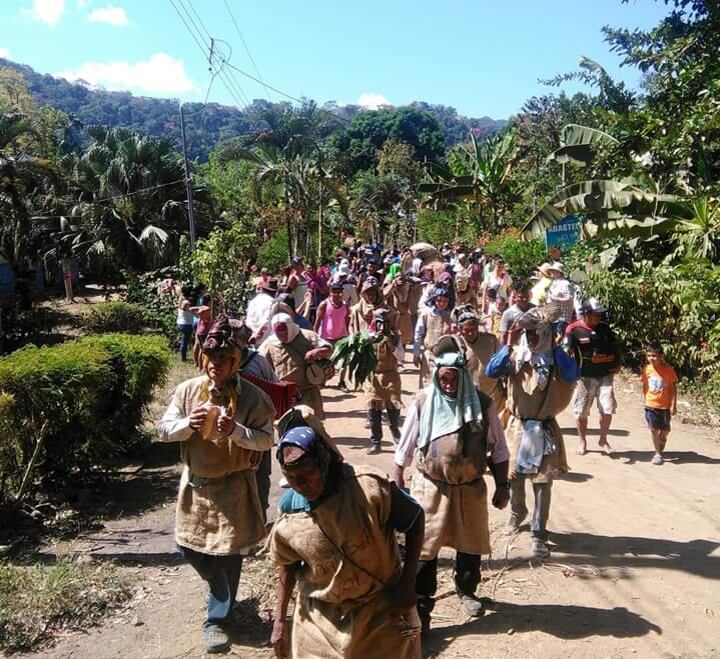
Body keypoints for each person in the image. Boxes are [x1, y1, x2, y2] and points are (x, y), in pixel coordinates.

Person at [158, 315, 275, 653]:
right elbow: (163, 430)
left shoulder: (253, 398)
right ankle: (219, 591)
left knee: (229, 554)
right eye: (211, 358)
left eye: (224, 359)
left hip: (233, 487)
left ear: (236, 361)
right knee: (187, 547)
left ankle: (217, 619)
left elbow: (267, 439)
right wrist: (187, 425)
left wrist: (237, 432)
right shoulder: (188, 391)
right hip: (195, 485)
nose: (216, 365)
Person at [269, 425, 424, 659]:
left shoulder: (366, 488)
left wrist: (407, 582)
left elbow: (414, 519)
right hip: (320, 619)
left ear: (323, 463)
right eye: (291, 478)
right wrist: (279, 621)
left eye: (306, 474)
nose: (299, 484)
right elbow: (288, 565)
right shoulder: (291, 510)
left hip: (381, 609)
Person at [393, 336, 510, 632]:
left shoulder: (481, 404)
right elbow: (406, 445)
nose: (448, 385)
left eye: (453, 379)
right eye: (443, 379)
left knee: (470, 545)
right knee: (424, 548)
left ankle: (467, 590)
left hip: (470, 487)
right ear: (436, 376)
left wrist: (502, 486)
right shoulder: (423, 402)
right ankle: (422, 608)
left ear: (463, 377)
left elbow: (499, 449)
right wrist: (398, 479)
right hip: (431, 487)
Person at [486, 308, 580, 558]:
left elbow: (573, 374)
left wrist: (556, 349)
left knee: (542, 481)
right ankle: (517, 512)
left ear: (546, 334)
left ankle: (539, 531)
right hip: (517, 425)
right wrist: (508, 344)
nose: (530, 339)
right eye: (527, 334)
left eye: (535, 334)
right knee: (514, 476)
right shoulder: (517, 357)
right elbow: (491, 371)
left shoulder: (554, 360)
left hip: (544, 427)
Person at [565, 302, 623, 456]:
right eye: (595, 314)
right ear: (586, 314)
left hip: (606, 375)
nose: (599, 317)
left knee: (607, 409)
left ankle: (603, 440)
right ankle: (582, 441)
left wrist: (618, 364)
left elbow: (615, 347)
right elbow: (567, 351)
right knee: (581, 412)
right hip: (585, 377)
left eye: (599, 314)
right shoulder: (573, 330)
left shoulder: (604, 328)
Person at [259, 313, 333, 419]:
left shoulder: (308, 336)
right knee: (287, 424)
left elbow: (328, 349)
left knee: (313, 424)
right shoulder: (270, 344)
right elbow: (259, 362)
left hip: (308, 393)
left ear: (290, 328)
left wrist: (318, 351)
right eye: (279, 334)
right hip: (284, 396)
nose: (282, 337)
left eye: (284, 333)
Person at [365, 308, 403, 455]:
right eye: (379, 323)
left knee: (393, 410)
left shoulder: (396, 337)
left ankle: (396, 434)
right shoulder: (369, 337)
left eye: (385, 323)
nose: (381, 327)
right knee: (374, 412)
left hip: (391, 377)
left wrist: (391, 345)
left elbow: (401, 357)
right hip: (374, 378)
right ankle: (376, 442)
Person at [454, 306, 506, 413]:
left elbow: (500, 362)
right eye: (466, 330)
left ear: (477, 327)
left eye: (473, 329)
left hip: (492, 392)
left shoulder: (491, 340)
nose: (470, 333)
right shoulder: (456, 344)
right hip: (468, 394)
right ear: (460, 329)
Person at [642, 344, 678, 465]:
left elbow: (673, 388)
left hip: (665, 406)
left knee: (665, 430)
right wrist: (646, 400)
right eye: (649, 356)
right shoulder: (646, 369)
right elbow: (645, 386)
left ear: (661, 356)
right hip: (650, 405)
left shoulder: (669, 371)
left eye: (654, 356)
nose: (651, 358)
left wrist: (673, 405)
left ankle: (662, 439)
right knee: (653, 429)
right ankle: (657, 454)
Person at [413, 286, 453, 388]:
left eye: (445, 301)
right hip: (430, 355)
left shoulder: (451, 316)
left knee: (444, 385)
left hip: (447, 357)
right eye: (439, 300)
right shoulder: (426, 314)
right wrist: (416, 354)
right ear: (434, 300)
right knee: (427, 385)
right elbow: (418, 333)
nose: (442, 303)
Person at [315, 281, 351, 392]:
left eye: (339, 292)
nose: (337, 295)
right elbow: (317, 321)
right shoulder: (324, 304)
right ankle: (322, 380)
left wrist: (348, 335)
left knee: (343, 361)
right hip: (326, 338)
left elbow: (347, 321)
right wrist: (315, 338)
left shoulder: (345, 306)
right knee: (324, 361)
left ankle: (341, 382)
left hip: (341, 337)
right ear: (330, 292)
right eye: (334, 292)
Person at [499, 280, 535, 345]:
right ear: (515, 298)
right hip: (516, 348)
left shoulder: (535, 310)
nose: (524, 299)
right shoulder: (508, 313)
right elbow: (503, 336)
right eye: (521, 297)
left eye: (526, 296)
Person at [246, 278, 279, 346]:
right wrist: (258, 333)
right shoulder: (272, 302)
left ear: (262, 289)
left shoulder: (253, 301)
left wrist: (255, 332)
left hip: (254, 341)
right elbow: (266, 321)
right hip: (269, 342)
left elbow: (248, 321)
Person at [384, 273, 414, 346]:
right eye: (399, 278)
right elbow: (384, 295)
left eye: (403, 278)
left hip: (404, 318)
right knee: (393, 342)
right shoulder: (391, 289)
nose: (401, 280)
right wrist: (392, 285)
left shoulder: (407, 289)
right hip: (393, 319)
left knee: (404, 342)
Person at [547, 262, 574, 330]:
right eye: (552, 270)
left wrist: (556, 299)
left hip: (562, 318)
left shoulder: (565, 283)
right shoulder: (554, 283)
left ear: (559, 272)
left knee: (559, 335)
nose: (552, 272)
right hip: (554, 317)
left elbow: (569, 298)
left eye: (554, 271)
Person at [176, 284, 197, 362]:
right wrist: (198, 315)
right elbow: (190, 311)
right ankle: (183, 358)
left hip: (180, 322)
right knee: (185, 342)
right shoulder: (186, 302)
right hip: (186, 324)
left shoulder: (181, 298)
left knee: (184, 340)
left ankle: (183, 356)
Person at [192, 294, 213, 368]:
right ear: (209, 301)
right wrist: (205, 320)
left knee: (200, 347)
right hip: (204, 331)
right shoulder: (207, 309)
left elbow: (192, 309)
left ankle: (198, 364)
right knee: (203, 350)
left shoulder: (201, 307)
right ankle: (201, 366)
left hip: (200, 330)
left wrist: (200, 317)